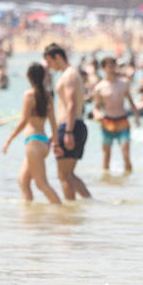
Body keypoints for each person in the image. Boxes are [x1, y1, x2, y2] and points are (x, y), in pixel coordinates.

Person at [2, 62, 62, 204]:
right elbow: (53, 122)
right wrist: (55, 143)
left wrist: (9, 139)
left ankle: (62, 213)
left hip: (33, 143)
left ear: (29, 77)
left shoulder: (29, 95)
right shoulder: (47, 95)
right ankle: (30, 217)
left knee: (41, 184)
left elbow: (23, 121)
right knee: (23, 180)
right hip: (43, 142)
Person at [43, 43, 91, 200]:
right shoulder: (70, 74)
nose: (49, 66)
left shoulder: (69, 75)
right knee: (69, 174)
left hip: (71, 126)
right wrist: (56, 131)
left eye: (50, 62)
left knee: (63, 175)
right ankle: (89, 202)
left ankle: (69, 215)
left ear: (57, 57)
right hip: (72, 125)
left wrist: (68, 132)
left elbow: (71, 105)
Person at [90, 55, 139, 174]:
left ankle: (129, 181)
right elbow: (95, 107)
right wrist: (97, 115)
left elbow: (131, 103)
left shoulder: (123, 84)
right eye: (109, 67)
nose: (112, 69)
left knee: (126, 154)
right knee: (106, 156)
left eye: (113, 66)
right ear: (104, 68)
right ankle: (106, 185)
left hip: (122, 121)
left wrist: (137, 117)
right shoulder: (99, 87)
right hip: (107, 122)